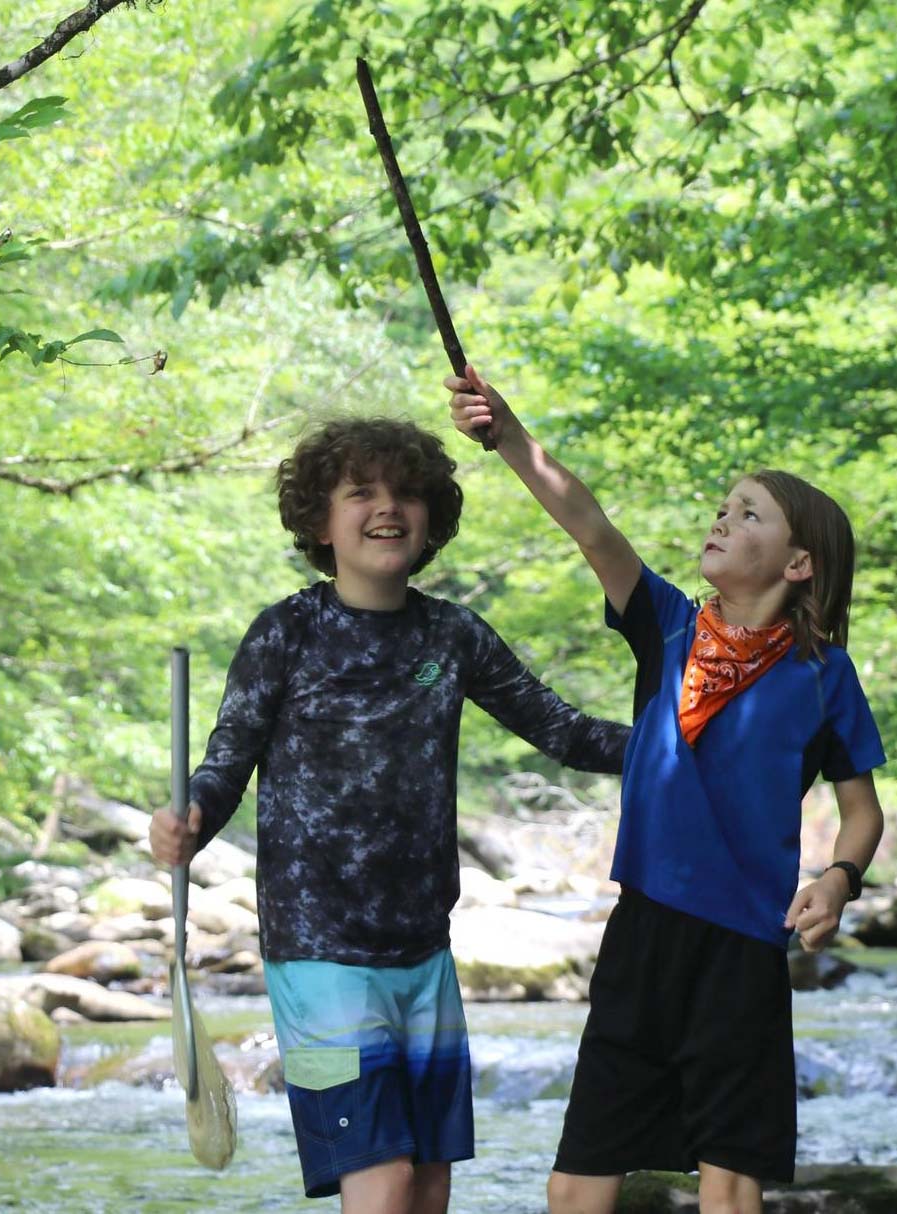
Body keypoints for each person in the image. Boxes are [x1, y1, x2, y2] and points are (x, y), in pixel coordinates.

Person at [150, 415, 629, 1214]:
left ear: (432, 517)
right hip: (319, 951)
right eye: (360, 493)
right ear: (316, 520)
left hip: (422, 949)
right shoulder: (285, 632)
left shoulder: (454, 634)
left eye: (407, 493)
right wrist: (188, 818)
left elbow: (565, 731)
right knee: (386, 1183)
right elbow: (225, 765)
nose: (387, 508)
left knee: (430, 1187)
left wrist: (690, 740)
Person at [447, 369, 888, 1214]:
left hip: (745, 950)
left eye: (749, 512)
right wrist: (505, 434)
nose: (723, 517)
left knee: (729, 1182)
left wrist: (837, 880)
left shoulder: (824, 676)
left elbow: (860, 810)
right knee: (578, 1180)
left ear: (799, 563)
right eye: (723, 506)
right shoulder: (669, 626)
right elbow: (589, 525)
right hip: (643, 933)